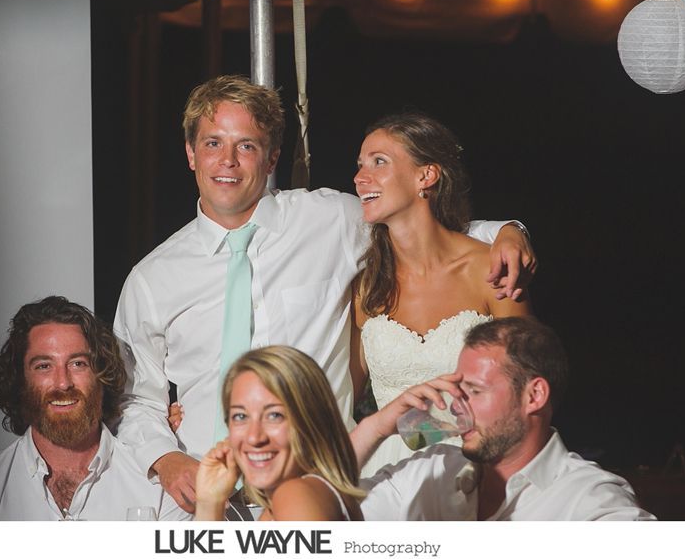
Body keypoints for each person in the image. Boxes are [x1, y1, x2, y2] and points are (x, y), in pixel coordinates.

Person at [113, 74, 535, 513]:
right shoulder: (152, 278)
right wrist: (165, 460)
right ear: (190, 153)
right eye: (213, 143)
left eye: (246, 146)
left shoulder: (331, 220)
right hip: (205, 497)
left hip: (323, 490)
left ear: (272, 158)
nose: (228, 161)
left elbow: (424, 230)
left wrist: (508, 232)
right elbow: (134, 397)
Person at [351, 112, 532, 476]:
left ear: (426, 176)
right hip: (385, 476)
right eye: (360, 166)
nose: (359, 178)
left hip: (481, 468)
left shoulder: (489, 271)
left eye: (379, 162)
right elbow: (347, 394)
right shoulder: (368, 287)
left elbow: (524, 389)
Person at [351, 317, 655, 521]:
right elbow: (326, 511)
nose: (456, 407)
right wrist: (374, 427)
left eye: (475, 391)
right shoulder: (432, 470)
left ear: (534, 396)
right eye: (458, 391)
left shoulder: (588, 502)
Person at [0, 296, 187, 521]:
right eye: (44, 366)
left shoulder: (159, 485)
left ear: (102, 375)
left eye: (78, 364)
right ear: (20, 380)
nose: (63, 383)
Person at [195, 345, 363, 521]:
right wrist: (209, 503)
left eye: (274, 415)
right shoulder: (302, 495)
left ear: (310, 420)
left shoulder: (294, 497)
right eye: (240, 416)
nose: (254, 437)